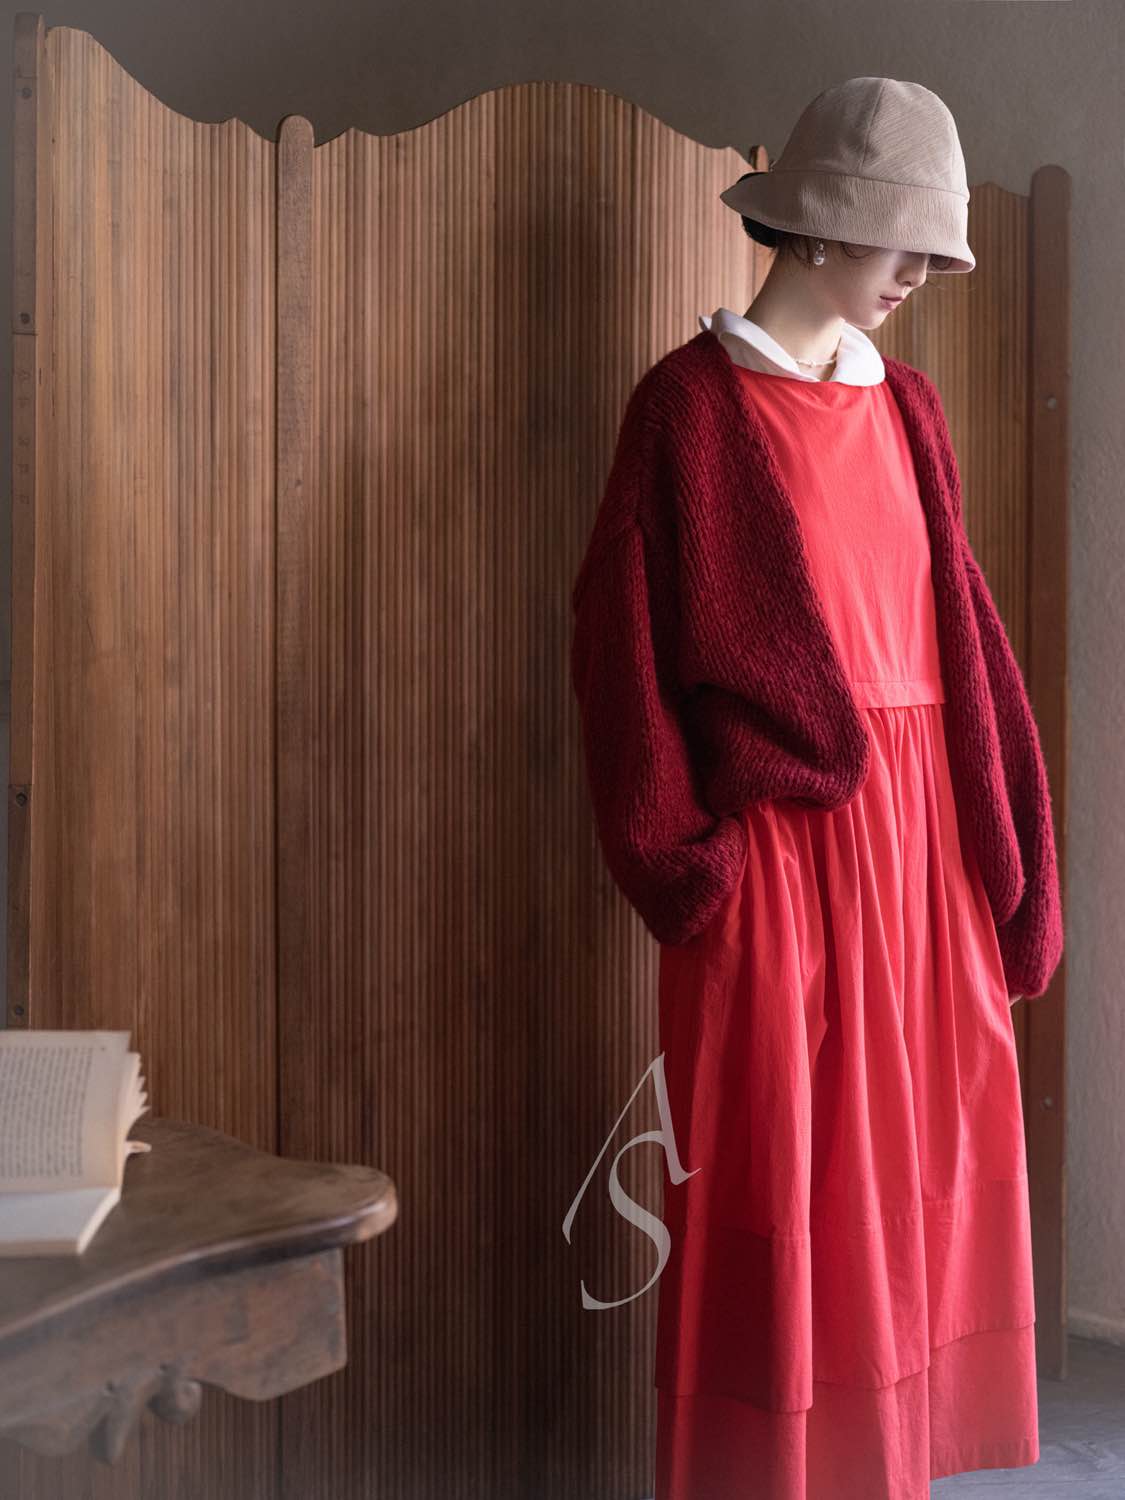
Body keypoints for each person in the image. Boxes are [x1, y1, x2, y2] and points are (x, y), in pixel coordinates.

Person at [570, 77, 1063, 1499]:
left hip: (927, 853)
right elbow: (619, 653)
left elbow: (963, 635)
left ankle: (888, 1465)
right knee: (783, 1173)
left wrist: (1003, 846)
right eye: (907, 243)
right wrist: (689, 863)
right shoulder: (685, 409)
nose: (921, 278)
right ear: (824, 225)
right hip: (781, 856)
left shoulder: (910, 406)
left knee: (913, 1171)